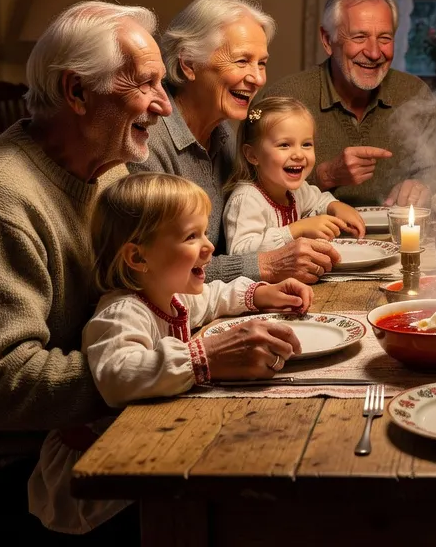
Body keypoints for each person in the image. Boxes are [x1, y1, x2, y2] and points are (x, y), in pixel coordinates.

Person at [0, 1, 177, 543]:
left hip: (68, 434)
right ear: (76, 92)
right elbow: (5, 387)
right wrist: (166, 367)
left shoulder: (107, 171)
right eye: (145, 84)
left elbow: (136, 284)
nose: (164, 105)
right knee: (198, 508)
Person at [27, 173, 309, 534]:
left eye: (204, 233)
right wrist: (200, 357)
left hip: (151, 442)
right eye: (192, 237)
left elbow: (212, 297)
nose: (209, 246)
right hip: (100, 478)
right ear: (137, 256)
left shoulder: (171, 294)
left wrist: (259, 293)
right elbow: (118, 374)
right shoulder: (121, 314)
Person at [132, 0, 341, 285]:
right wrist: (267, 264)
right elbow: (158, 269)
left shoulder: (223, 133)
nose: (258, 78)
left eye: (262, 63)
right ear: (189, 64)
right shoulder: (148, 143)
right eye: (242, 61)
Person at [257, 0, 436, 207]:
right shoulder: (286, 98)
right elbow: (255, 187)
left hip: (396, 228)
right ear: (328, 40)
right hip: (315, 229)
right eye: (359, 37)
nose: (374, 53)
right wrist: (326, 176)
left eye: (385, 38)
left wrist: (423, 184)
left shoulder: (413, 92)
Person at [224, 97, 366, 253]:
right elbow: (239, 252)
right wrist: (296, 230)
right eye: (284, 145)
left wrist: (335, 206)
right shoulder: (247, 199)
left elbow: (319, 201)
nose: (299, 154)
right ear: (253, 155)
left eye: (306, 144)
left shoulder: (297, 191)